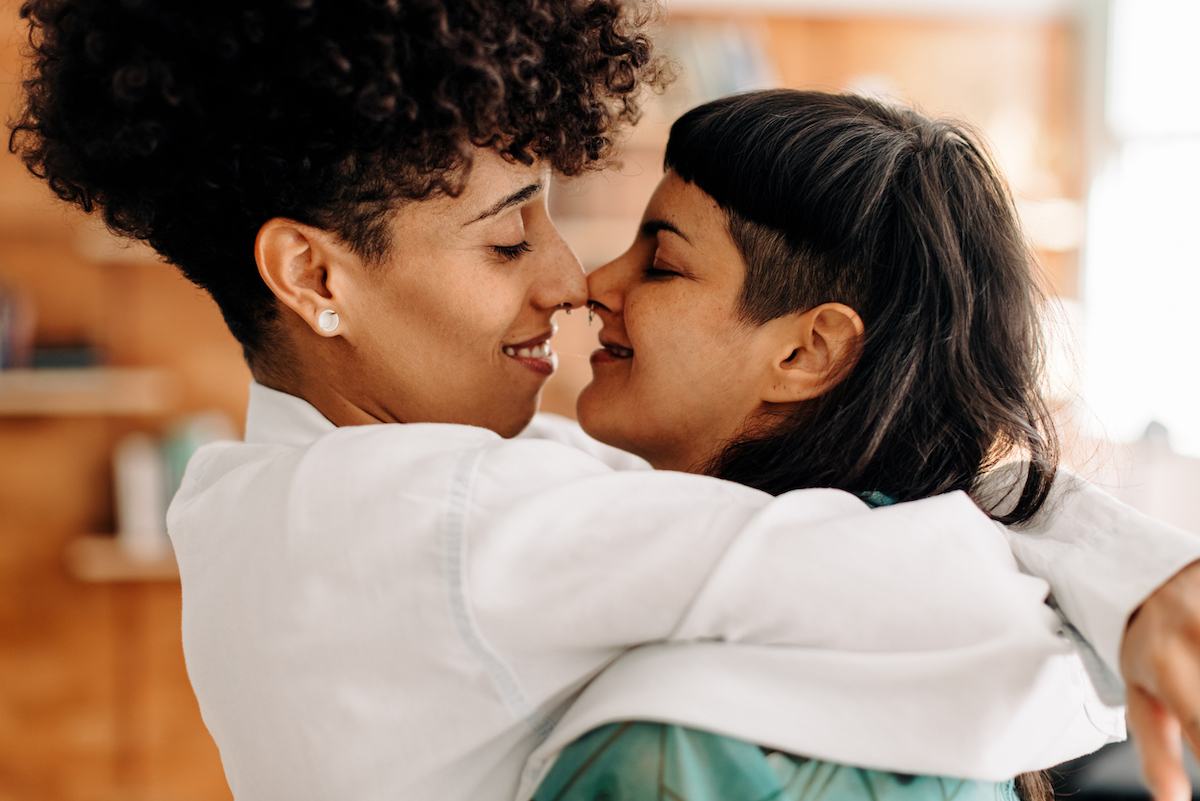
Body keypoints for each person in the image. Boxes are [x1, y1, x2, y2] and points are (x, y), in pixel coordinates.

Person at [10, 3, 1200, 800]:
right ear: (317, 275)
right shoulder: (451, 519)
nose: (572, 280)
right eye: (502, 240)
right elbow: (957, 591)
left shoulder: (255, 502)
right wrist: (1135, 594)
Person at [523, 88, 1105, 801]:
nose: (593, 283)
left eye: (662, 264)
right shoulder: (947, 639)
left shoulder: (685, 750)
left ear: (809, 351)